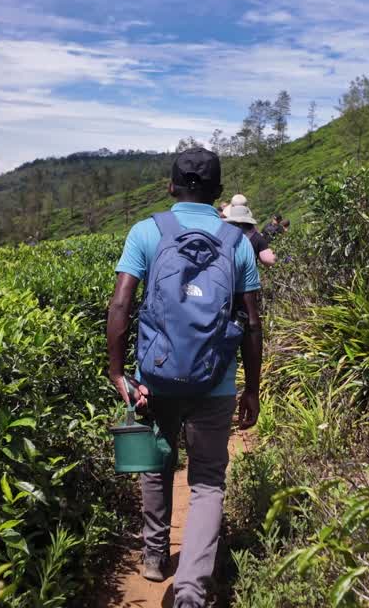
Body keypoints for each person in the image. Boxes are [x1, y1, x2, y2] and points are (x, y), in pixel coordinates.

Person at [107, 147, 264, 607]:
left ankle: (155, 557)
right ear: (217, 193)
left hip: (155, 378)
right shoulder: (238, 243)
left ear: (171, 186)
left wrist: (119, 372)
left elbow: (120, 306)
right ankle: (191, 591)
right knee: (208, 481)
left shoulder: (146, 232)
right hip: (215, 383)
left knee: (156, 463)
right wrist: (251, 388)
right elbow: (252, 322)